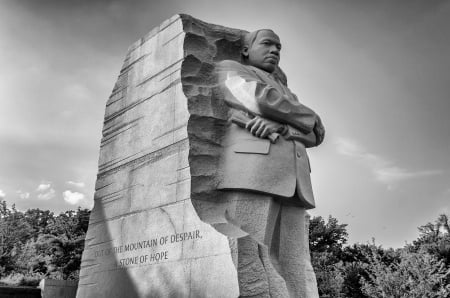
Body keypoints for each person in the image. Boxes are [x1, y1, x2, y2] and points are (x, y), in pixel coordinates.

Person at [212, 29, 325, 297]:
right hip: (253, 171)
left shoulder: (288, 93)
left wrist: (284, 126)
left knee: (296, 263)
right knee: (250, 255)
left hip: (295, 181)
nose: (275, 50)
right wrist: (308, 116)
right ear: (246, 49)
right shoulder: (232, 69)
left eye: (279, 47)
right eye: (267, 44)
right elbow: (258, 99)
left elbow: (316, 134)